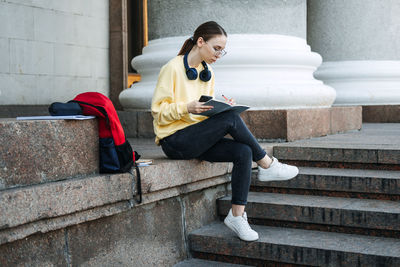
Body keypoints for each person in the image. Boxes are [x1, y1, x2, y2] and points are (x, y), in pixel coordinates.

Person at [151, 21, 299, 241]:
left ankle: (237, 216)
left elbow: (202, 111)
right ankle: (268, 164)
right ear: (200, 42)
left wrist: (219, 107)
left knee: (243, 152)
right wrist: (187, 107)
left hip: (197, 137)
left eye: (223, 50)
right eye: (216, 48)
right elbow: (158, 112)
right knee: (230, 119)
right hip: (175, 141)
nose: (219, 54)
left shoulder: (207, 72)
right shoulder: (171, 68)